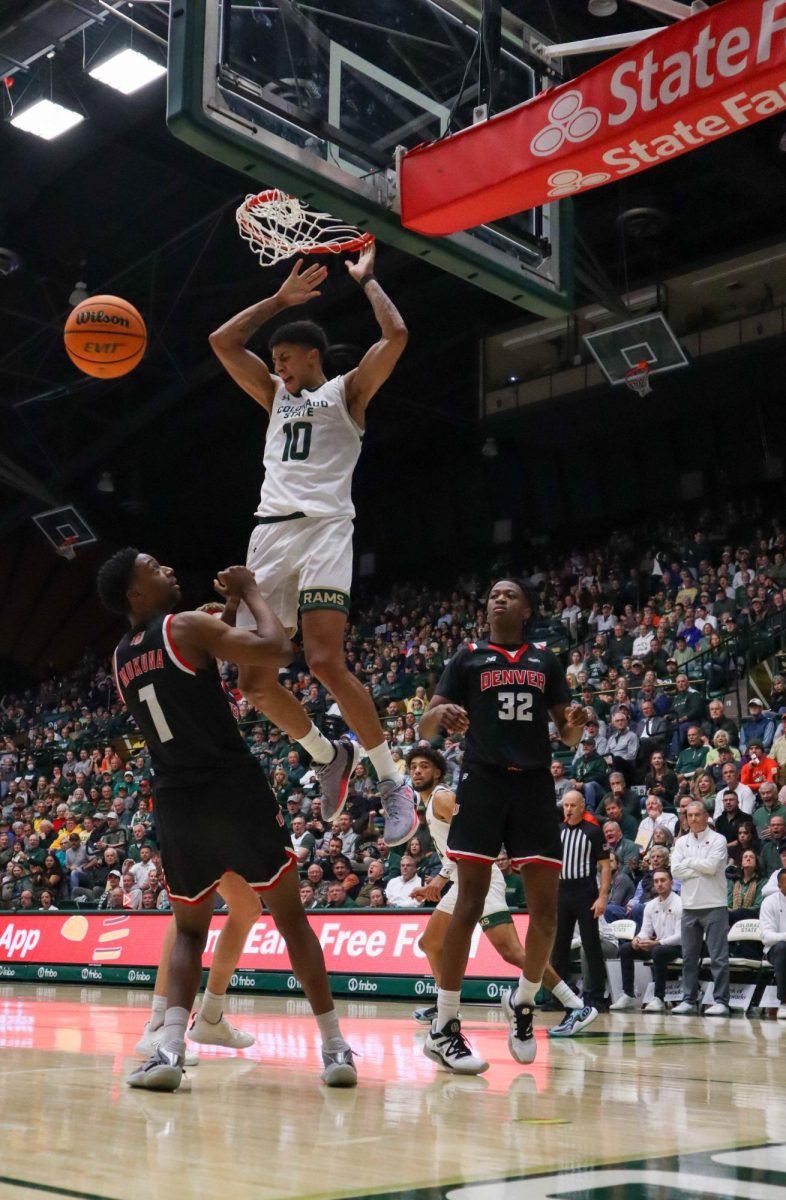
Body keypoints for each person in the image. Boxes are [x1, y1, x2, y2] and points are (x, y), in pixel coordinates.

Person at [97, 549, 356, 1091]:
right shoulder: (185, 625)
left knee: (190, 930)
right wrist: (252, 590)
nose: (169, 567)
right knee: (289, 917)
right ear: (135, 594)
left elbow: (192, 671)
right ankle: (334, 1047)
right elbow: (277, 651)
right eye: (153, 566)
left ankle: (168, 1049)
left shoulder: (121, 656)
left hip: (176, 798)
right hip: (231, 787)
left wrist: (230, 608)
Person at [208, 251, 415, 849]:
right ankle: (329, 756)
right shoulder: (273, 397)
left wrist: (367, 280)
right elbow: (222, 342)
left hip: (325, 529)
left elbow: (396, 334)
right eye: (273, 360)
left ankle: (391, 780)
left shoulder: (348, 393)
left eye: (284, 357)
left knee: (325, 662)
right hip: (269, 536)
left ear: (313, 356)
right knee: (253, 682)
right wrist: (277, 302)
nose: (277, 366)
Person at [418, 578, 587, 1073]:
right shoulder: (466, 656)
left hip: (534, 785)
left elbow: (569, 734)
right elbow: (426, 726)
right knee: (468, 903)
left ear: (527, 609)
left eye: (509, 594)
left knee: (546, 913)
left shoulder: (544, 659)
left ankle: (525, 1001)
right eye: (491, 593)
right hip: (483, 782)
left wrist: (575, 721)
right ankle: (444, 1025)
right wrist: (439, 713)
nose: (498, 598)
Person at [407, 748, 596, 1041]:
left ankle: (576, 1005)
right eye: (413, 767)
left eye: (424, 766)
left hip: (480, 878)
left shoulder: (442, 798)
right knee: (430, 942)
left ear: (437, 773)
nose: (417, 771)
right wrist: (440, 880)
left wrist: (443, 877)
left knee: (512, 952)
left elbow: (471, 833)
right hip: (461, 881)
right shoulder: (429, 804)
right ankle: (448, 1008)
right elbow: (454, 847)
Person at [550, 791, 611, 1014]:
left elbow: (605, 866)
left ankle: (595, 996)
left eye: (573, 805)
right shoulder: (558, 832)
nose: (569, 809)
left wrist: (602, 896)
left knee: (591, 944)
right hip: (561, 891)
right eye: (566, 805)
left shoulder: (593, 832)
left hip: (585, 891)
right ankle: (557, 996)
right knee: (559, 946)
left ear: (582, 806)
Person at [670, 801, 731, 1016]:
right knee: (689, 957)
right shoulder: (681, 842)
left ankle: (722, 1001)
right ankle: (689, 999)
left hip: (714, 905)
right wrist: (699, 865)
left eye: (697, 815)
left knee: (718, 958)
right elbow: (675, 870)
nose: (693, 819)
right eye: (689, 815)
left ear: (706, 816)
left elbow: (712, 867)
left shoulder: (718, 839)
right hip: (689, 906)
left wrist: (689, 863)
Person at [609, 867, 682, 1012]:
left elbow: (681, 936)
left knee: (658, 952)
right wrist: (638, 939)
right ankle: (628, 995)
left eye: (663, 880)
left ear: (671, 883)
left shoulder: (680, 903)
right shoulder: (650, 905)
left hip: (678, 947)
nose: (659, 884)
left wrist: (656, 943)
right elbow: (645, 931)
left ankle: (659, 999)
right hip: (658, 945)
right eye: (656, 881)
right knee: (626, 949)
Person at [759, 868, 786, 1020]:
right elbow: (767, 937)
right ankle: (784, 1002)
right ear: (779, 885)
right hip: (774, 949)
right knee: (783, 948)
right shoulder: (769, 903)